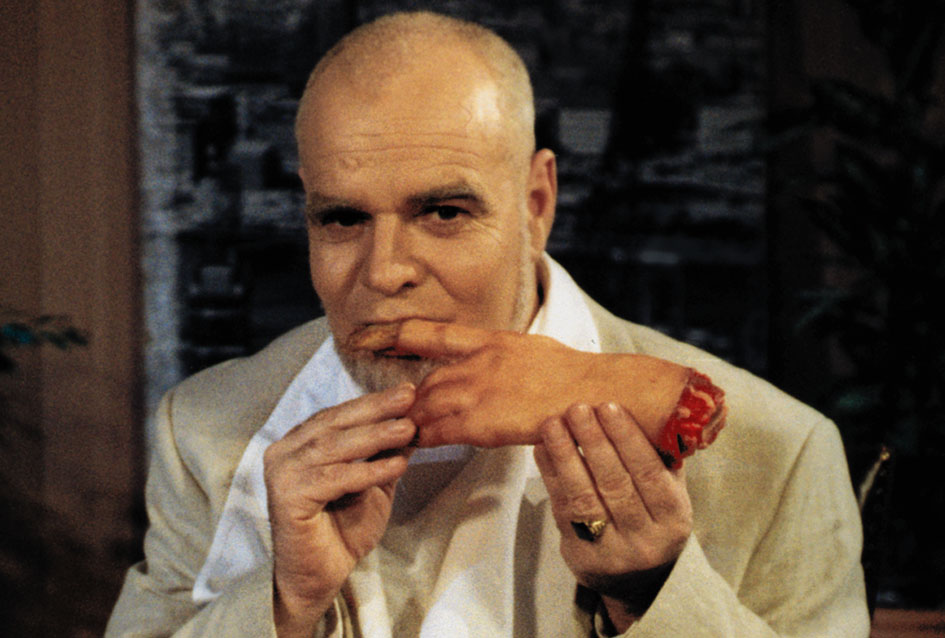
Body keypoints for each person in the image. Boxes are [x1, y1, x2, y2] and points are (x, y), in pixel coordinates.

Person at [106, 11, 869, 638]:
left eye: (443, 212)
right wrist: (280, 602)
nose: (384, 271)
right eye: (341, 218)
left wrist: (652, 594)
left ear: (536, 205)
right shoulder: (205, 432)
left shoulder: (779, 454)